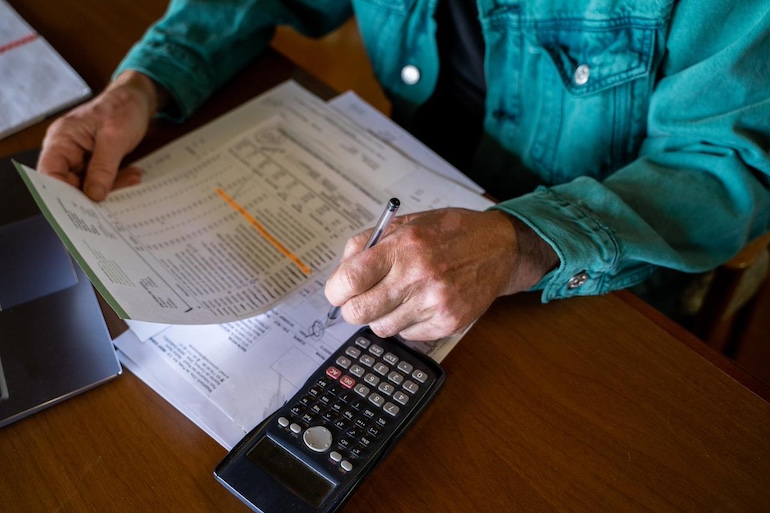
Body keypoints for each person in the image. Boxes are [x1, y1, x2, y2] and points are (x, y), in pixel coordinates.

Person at [37, 0, 770, 341]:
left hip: (599, 285)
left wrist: (519, 239)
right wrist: (146, 82)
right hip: (398, 196)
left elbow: (725, 163)